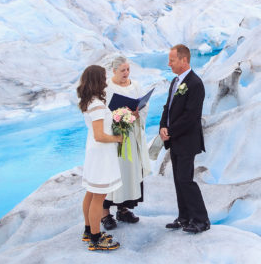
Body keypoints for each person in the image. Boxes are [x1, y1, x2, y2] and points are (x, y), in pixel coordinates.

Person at [159, 44, 209, 234]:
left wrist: (170, 130)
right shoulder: (175, 82)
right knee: (178, 180)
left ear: (184, 60)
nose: (169, 63)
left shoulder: (195, 84)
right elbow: (168, 108)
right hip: (175, 139)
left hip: (187, 140)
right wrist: (163, 127)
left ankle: (201, 220)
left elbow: (191, 116)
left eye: (172, 60)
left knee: (185, 180)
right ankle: (184, 217)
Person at [101, 55, 151, 230]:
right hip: (113, 138)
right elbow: (102, 112)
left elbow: (143, 106)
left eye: (128, 69)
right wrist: (118, 117)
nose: (126, 73)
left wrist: (137, 114)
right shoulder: (106, 88)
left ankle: (123, 210)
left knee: (128, 173)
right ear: (114, 71)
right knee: (112, 173)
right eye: (122, 70)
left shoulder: (135, 86)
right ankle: (104, 215)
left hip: (131, 136)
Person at [77, 64, 123, 251]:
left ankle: (89, 231)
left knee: (91, 192)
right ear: (97, 80)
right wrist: (117, 138)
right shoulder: (96, 104)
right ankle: (96, 238)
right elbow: (99, 135)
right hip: (101, 153)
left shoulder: (89, 101)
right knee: (99, 196)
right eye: (103, 77)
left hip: (94, 152)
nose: (105, 80)